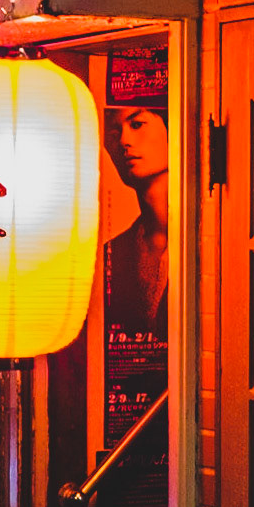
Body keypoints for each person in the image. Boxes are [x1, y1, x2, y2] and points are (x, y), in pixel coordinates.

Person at [104, 105, 169, 337]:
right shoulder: (112, 254)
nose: (124, 141)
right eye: (113, 134)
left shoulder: (212, 239)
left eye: (137, 124)